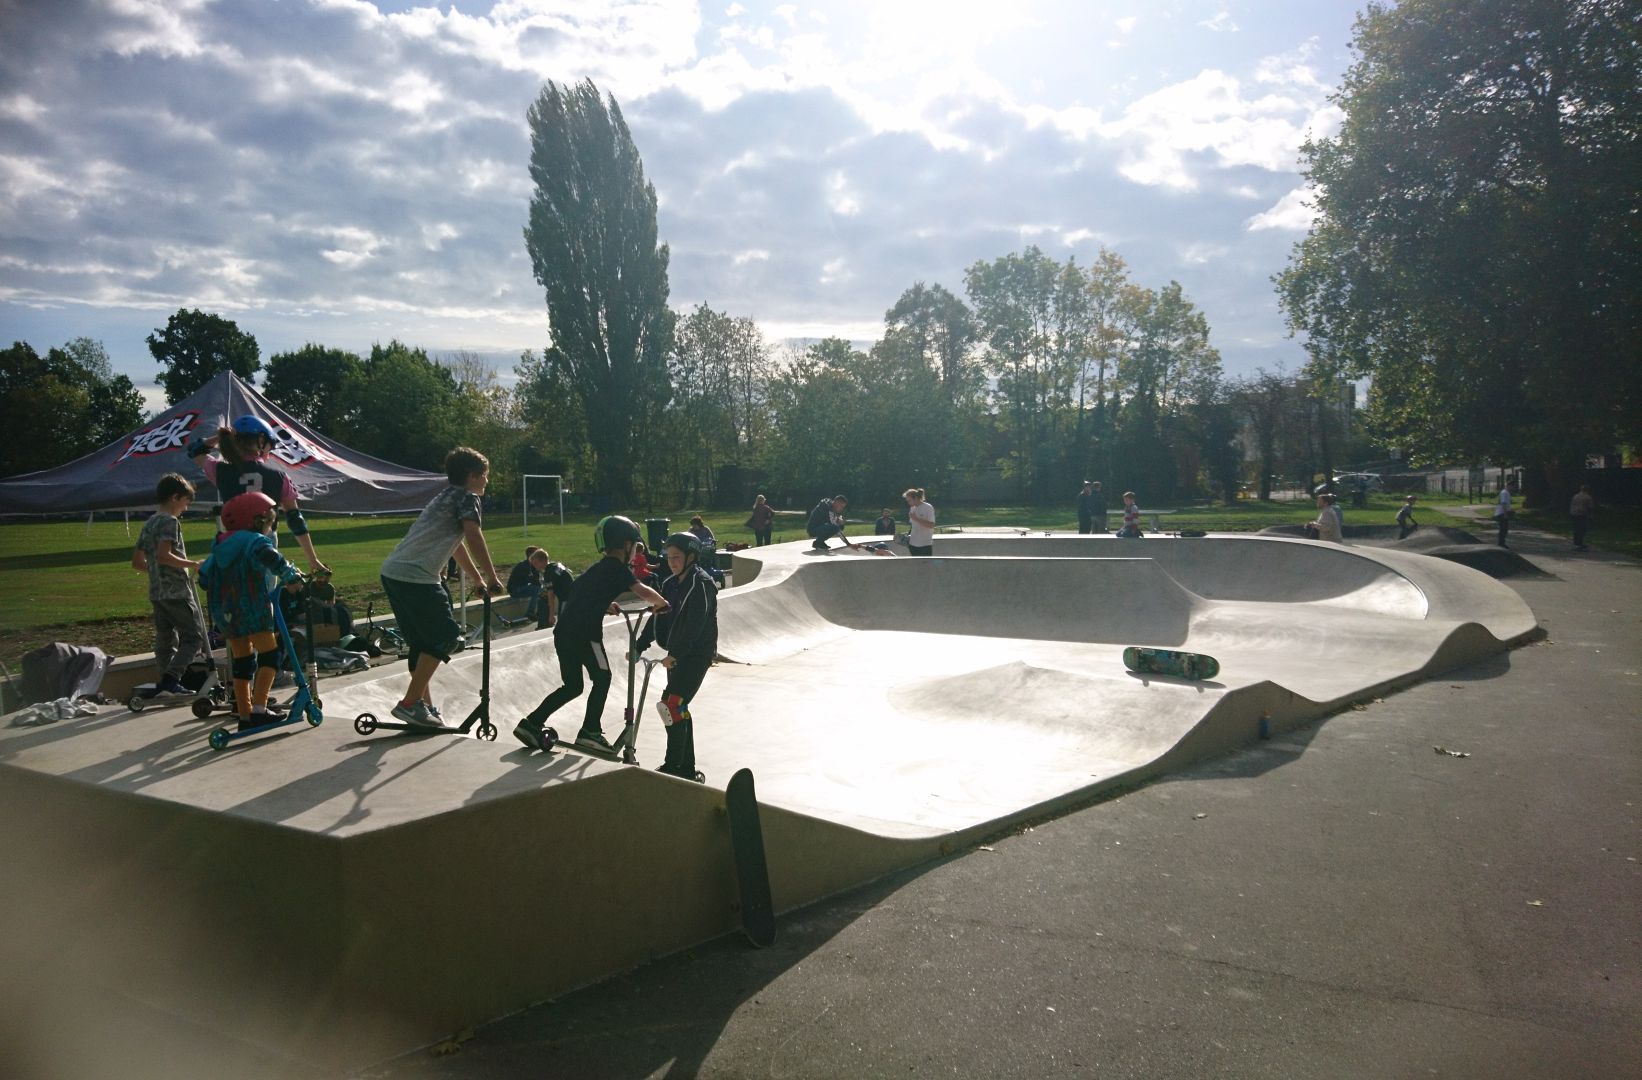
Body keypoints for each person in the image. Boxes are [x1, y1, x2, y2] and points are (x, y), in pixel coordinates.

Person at [514, 515, 668, 754]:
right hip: (586, 635)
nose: (635, 553)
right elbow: (642, 590)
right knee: (603, 677)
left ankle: (531, 723)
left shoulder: (597, 568)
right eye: (635, 547)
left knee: (573, 686)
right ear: (626, 544)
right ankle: (590, 731)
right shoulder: (617, 568)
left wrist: (604, 604)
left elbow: (580, 593)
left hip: (563, 634)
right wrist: (662, 602)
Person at [377, 447, 506, 730]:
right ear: (472, 476)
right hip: (417, 576)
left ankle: (422, 708)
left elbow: (456, 545)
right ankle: (410, 703)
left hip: (393, 573)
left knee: (422, 645)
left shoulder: (443, 497)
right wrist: (493, 577)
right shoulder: (468, 498)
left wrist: (477, 580)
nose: (487, 481)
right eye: (485, 476)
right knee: (446, 637)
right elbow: (473, 535)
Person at [196, 491, 305, 731]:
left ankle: (244, 714)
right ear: (255, 520)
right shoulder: (255, 541)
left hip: (226, 614)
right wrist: (291, 576)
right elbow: (274, 560)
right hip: (253, 609)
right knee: (270, 655)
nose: (270, 527)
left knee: (243, 661)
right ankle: (259, 708)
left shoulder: (220, 546)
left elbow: (203, 578)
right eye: (269, 522)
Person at [188, 415, 327, 575]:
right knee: (263, 589)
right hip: (265, 543)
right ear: (261, 440)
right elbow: (295, 519)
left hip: (232, 542)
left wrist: (220, 437)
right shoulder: (279, 477)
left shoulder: (219, 470)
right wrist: (312, 558)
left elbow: (194, 450)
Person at [631, 531, 718, 781]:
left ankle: (674, 766)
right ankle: (686, 768)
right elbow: (657, 616)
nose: (671, 562)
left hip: (696, 654)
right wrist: (639, 645)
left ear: (691, 556)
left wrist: (676, 654)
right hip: (677, 655)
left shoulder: (701, 584)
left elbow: (695, 624)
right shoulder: (670, 584)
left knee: (672, 704)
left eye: (677, 557)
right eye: (669, 557)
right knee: (676, 707)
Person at [130, 472, 207, 698]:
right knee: (194, 637)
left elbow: (137, 562)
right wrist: (193, 564)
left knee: (166, 640)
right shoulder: (170, 522)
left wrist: (155, 571)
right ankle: (171, 679)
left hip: (157, 592)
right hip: (176, 591)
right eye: (185, 502)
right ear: (175, 497)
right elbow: (164, 555)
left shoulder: (150, 522)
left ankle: (164, 683)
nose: (185, 508)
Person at [534, 554, 576, 631]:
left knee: (562, 625)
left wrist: (551, 616)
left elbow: (551, 596)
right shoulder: (556, 565)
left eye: (536, 563)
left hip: (566, 598)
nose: (534, 566)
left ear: (543, 561)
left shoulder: (548, 573)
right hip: (573, 594)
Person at [508, 547, 549, 620]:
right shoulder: (523, 566)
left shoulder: (532, 565)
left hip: (522, 588)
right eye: (536, 554)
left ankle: (540, 611)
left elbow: (536, 580)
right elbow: (533, 581)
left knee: (539, 589)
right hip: (514, 590)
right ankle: (530, 613)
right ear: (530, 555)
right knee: (537, 589)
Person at [904, 487, 936, 556]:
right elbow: (913, 526)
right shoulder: (912, 508)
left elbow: (931, 525)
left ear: (915, 498)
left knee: (926, 563)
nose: (908, 503)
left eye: (909, 500)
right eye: (907, 501)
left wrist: (916, 518)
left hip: (925, 544)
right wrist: (907, 536)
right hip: (913, 544)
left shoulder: (928, 507)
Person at [1569, 484, 1595, 551]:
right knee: (1582, 529)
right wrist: (1591, 516)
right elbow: (1590, 507)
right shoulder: (1588, 497)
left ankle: (1576, 543)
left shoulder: (1575, 496)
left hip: (1574, 513)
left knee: (1576, 528)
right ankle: (1580, 543)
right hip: (1582, 514)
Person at [1494, 482, 1517, 547]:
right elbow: (1503, 503)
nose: (1513, 488)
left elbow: (1506, 504)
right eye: (1512, 486)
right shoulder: (1504, 493)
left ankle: (1502, 542)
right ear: (1509, 486)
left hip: (1503, 512)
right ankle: (1501, 543)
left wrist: (1510, 510)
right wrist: (1505, 513)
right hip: (1501, 513)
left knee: (1504, 529)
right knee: (1503, 528)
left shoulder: (1506, 493)